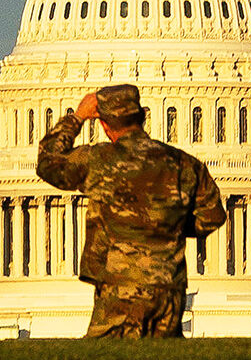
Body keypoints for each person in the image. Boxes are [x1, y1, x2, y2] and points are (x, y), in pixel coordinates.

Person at [37, 84, 226, 338]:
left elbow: (48, 163)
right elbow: (213, 216)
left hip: (119, 286)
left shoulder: (99, 160)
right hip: (168, 288)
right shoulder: (184, 163)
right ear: (142, 118)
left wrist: (78, 117)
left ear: (104, 125)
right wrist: (169, 227)